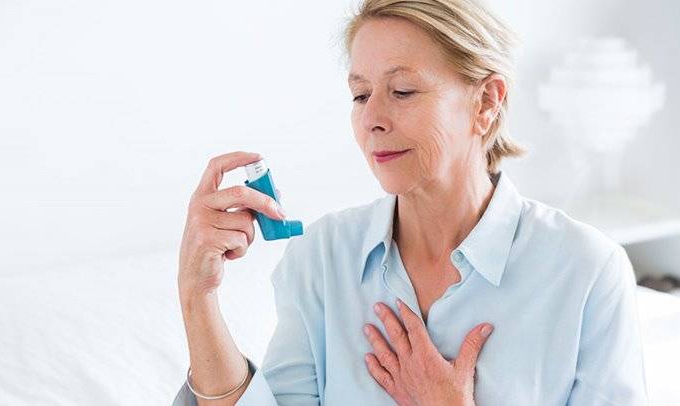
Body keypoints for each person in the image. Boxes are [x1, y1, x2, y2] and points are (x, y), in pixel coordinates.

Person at [173, 0, 648, 404]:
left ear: (486, 102)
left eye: (402, 91)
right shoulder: (322, 257)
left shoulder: (585, 271)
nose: (372, 119)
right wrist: (198, 296)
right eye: (361, 95)